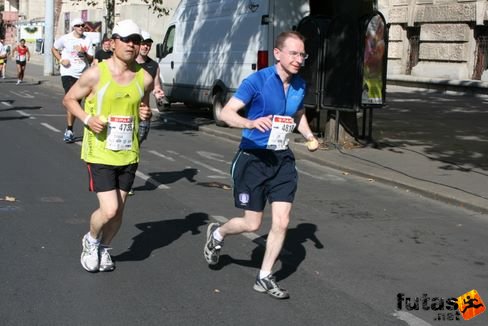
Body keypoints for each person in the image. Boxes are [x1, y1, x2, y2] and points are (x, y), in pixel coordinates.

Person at [203, 31, 319, 299]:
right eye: (294, 53)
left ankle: (264, 277)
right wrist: (251, 123)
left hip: (281, 159)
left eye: (302, 54)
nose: (299, 59)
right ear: (278, 54)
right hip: (253, 158)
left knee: (282, 221)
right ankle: (218, 234)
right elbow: (226, 113)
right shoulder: (257, 80)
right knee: (253, 224)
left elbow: (298, 112)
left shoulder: (300, 85)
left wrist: (310, 136)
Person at [62, 19, 153, 273]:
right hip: (100, 150)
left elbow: (144, 108)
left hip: (129, 151)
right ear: (113, 43)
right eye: (126, 40)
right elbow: (69, 99)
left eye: (136, 41)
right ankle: (91, 240)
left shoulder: (144, 78)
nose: (132, 45)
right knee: (110, 209)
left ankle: (104, 248)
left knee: (119, 211)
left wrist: (146, 113)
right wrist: (87, 119)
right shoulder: (95, 73)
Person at [52, 18, 94, 143]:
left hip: (83, 74)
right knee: (73, 100)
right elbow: (54, 48)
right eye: (78, 25)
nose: (81, 27)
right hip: (68, 72)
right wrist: (61, 60)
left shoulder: (87, 40)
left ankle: (86, 125)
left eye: (82, 25)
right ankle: (69, 130)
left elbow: (91, 60)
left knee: (82, 101)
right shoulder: (65, 38)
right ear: (73, 27)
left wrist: (84, 53)